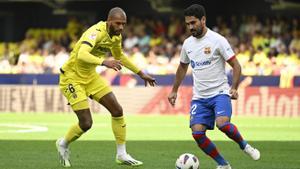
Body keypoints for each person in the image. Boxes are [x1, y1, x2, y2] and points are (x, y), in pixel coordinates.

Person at [56, 7, 156, 167]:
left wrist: (140, 73)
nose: (121, 27)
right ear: (109, 21)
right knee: (86, 123)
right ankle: (63, 143)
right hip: (71, 78)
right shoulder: (95, 32)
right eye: (118, 23)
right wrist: (104, 62)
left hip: (90, 77)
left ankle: (121, 154)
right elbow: (82, 54)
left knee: (117, 110)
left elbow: (120, 56)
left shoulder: (116, 37)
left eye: (123, 24)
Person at [168, 4, 260, 169]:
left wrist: (234, 87)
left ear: (203, 20)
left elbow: (237, 66)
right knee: (197, 133)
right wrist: (174, 90)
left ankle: (244, 145)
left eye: (193, 22)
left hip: (220, 93)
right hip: (200, 97)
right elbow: (182, 67)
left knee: (223, 124)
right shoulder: (188, 44)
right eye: (187, 23)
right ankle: (223, 165)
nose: (190, 27)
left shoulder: (217, 40)